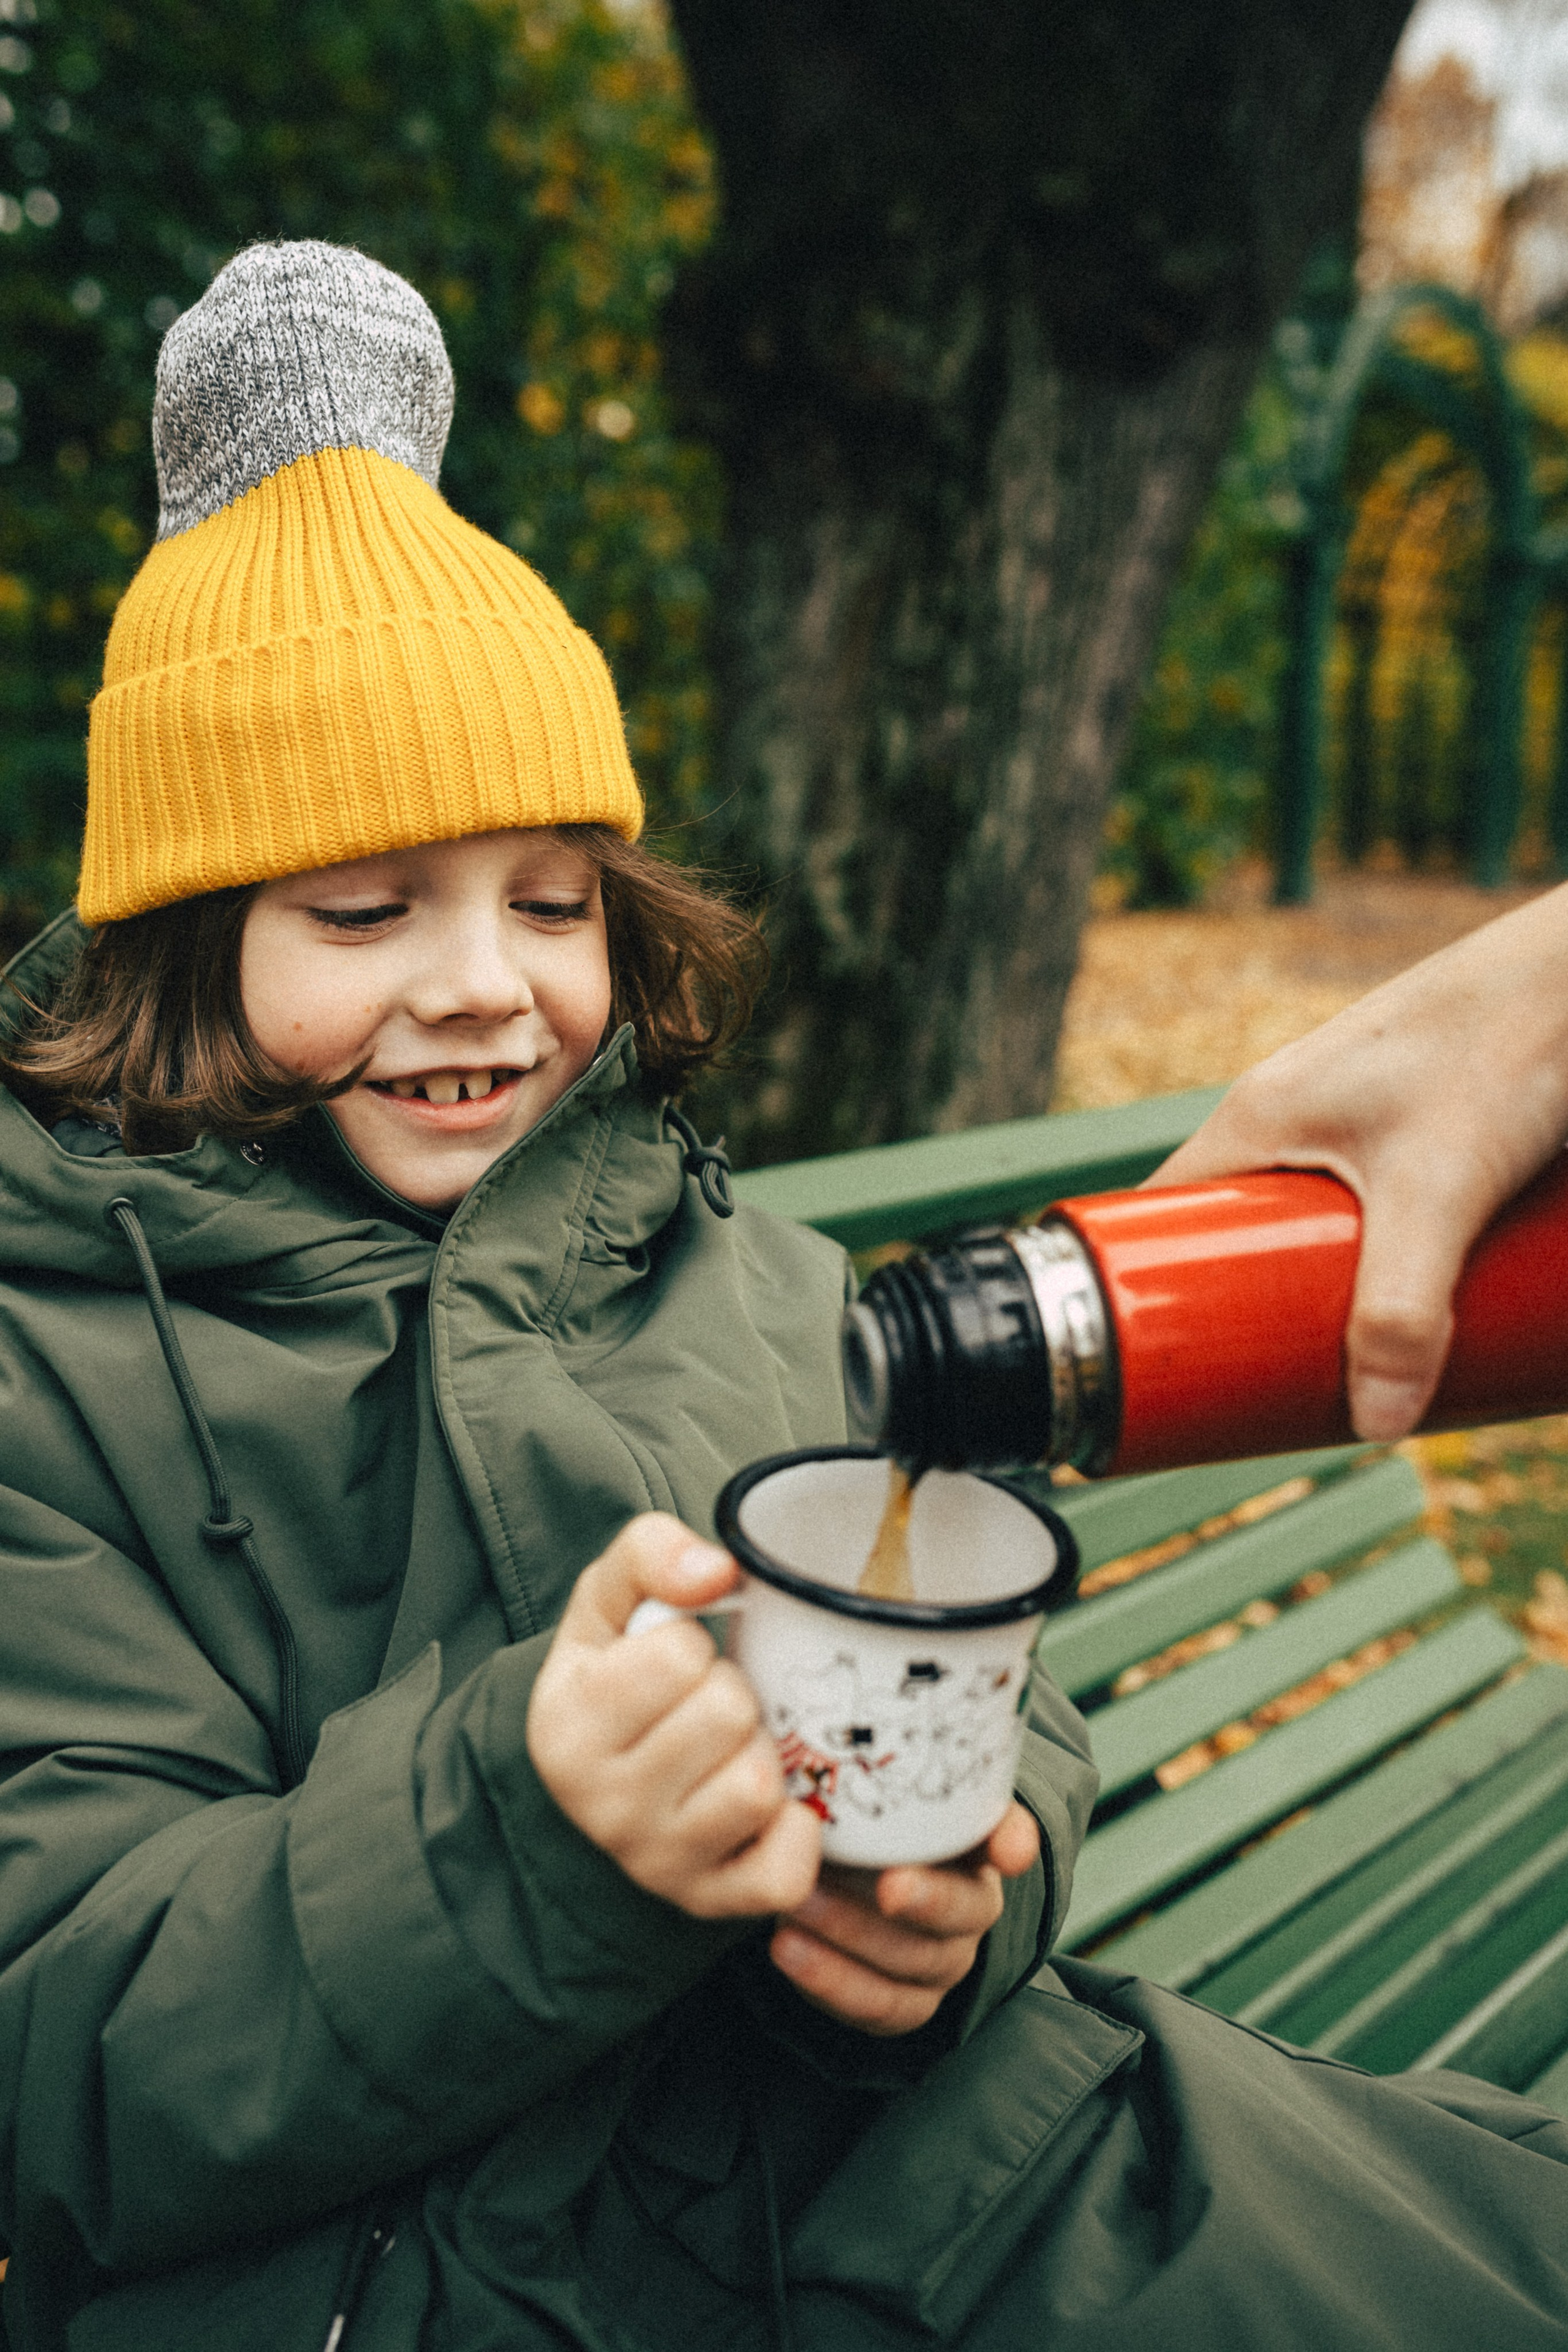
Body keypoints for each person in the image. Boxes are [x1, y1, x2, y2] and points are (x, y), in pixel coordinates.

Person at [0, 241, 1562, 2352]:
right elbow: (64, 2045)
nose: (485, 984)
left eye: (553, 901)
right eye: (366, 912)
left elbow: (1006, 1687)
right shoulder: (55, 1372)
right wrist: (528, 1839)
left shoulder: (723, 1262)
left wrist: (967, 1892)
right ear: (179, 949)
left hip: (947, 2151)